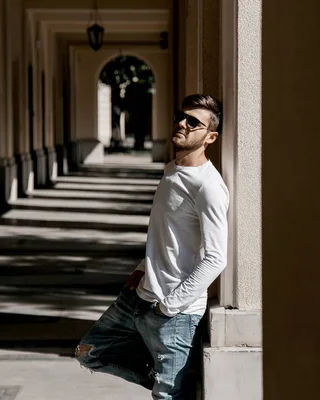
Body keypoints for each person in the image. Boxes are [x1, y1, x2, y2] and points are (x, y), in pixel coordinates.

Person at [74, 94, 229, 399]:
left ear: (210, 137)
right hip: (138, 298)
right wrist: (140, 271)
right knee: (88, 352)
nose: (182, 124)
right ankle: (169, 380)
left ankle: (172, 383)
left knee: (167, 396)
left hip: (174, 313)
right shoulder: (172, 170)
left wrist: (168, 306)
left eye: (193, 122)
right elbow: (166, 235)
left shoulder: (208, 186)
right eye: (180, 117)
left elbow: (215, 258)